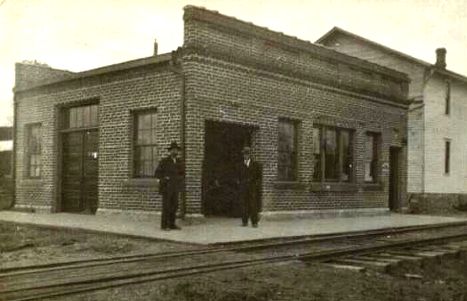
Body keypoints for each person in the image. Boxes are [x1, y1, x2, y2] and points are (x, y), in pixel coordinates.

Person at [155, 141, 184, 231]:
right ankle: (164, 225)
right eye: (173, 150)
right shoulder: (164, 161)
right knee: (166, 206)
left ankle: (172, 224)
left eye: (176, 150)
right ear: (170, 151)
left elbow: (182, 174)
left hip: (175, 187)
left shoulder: (179, 162)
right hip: (167, 188)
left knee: (174, 206)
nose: (174, 152)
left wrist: (179, 179)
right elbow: (157, 174)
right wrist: (165, 179)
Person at [237, 146, 262, 227]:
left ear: (250, 155)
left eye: (247, 154)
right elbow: (238, 176)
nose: (246, 156)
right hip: (243, 187)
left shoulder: (255, 164)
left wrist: (255, 184)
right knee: (244, 204)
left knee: (253, 204)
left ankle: (254, 222)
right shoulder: (240, 165)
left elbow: (259, 177)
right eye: (244, 154)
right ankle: (244, 221)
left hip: (252, 188)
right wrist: (240, 183)